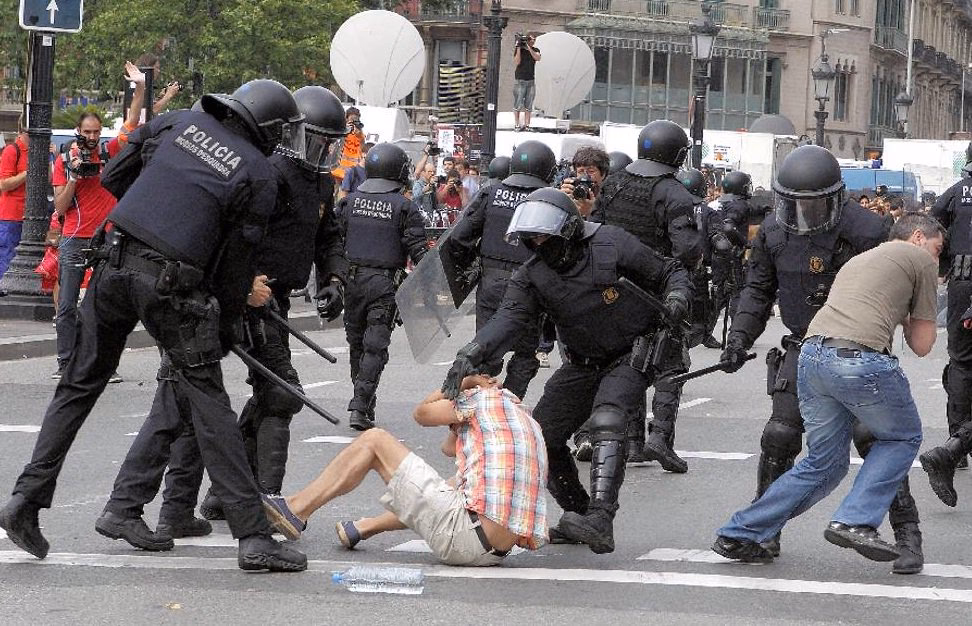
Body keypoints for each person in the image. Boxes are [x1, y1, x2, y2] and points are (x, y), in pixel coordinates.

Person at [0, 79, 309, 571]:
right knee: (210, 403)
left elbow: (118, 177)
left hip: (113, 260)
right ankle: (253, 538)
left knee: (78, 384)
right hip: (172, 285)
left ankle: (25, 500)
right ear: (269, 129)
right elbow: (235, 265)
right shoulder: (258, 173)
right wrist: (228, 322)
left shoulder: (176, 121)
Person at [99, 86, 352, 540]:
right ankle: (247, 501)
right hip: (225, 296)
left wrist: (334, 280)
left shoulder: (321, 182)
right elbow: (217, 232)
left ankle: (200, 503)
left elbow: (327, 237)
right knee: (191, 400)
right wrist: (241, 283)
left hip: (264, 300)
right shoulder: (263, 170)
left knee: (244, 399)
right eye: (313, 142)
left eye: (328, 145)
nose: (319, 154)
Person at [440, 188, 692, 554]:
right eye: (531, 239)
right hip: (582, 361)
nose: (538, 245)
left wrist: (677, 298)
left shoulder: (610, 241)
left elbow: (670, 271)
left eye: (545, 236)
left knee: (608, 418)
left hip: (630, 351)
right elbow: (509, 319)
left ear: (570, 230)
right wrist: (472, 352)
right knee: (541, 437)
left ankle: (601, 519)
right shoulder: (531, 275)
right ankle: (579, 514)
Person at [719, 145, 925, 574]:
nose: (803, 214)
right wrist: (739, 337)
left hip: (860, 346)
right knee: (779, 436)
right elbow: (758, 290)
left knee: (877, 439)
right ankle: (762, 531)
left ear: (835, 197)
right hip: (802, 345)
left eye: (812, 205)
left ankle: (907, 534)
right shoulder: (774, 232)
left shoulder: (870, 229)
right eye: (794, 205)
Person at [260, 374, 548, 565]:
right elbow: (451, 449)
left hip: (464, 536)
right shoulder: (523, 417)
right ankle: (364, 528)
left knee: (375, 440)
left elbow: (422, 413)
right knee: (454, 484)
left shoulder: (478, 400)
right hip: (494, 552)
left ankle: (297, 510)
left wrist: (462, 381)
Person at [590, 120, 702, 472]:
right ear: (678, 154)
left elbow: (593, 229)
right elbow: (687, 250)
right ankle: (660, 439)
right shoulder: (675, 193)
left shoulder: (612, 184)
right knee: (671, 362)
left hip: (614, 287)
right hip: (657, 289)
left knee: (630, 360)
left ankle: (634, 441)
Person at [50, 62, 148, 381]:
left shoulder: (109, 152)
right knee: (66, 306)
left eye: (96, 131)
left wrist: (140, 87)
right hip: (75, 238)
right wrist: (76, 178)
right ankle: (66, 362)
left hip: (106, 240)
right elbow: (61, 205)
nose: (92, 137)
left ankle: (104, 365)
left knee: (101, 308)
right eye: (87, 132)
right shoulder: (65, 161)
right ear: (79, 132)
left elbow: (132, 121)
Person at [442, 140, 557, 400]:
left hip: (491, 282)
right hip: (530, 286)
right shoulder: (549, 200)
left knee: (485, 348)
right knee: (526, 355)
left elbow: (458, 237)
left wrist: (473, 265)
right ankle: (508, 406)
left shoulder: (491, 193)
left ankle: (478, 408)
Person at [338, 142, 428, 431]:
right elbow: (419, 253)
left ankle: (362, 403)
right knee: (374, 348)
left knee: (357, 345)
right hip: (384, 285)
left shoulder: (349, 202)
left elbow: (335, 244)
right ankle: (361, 406)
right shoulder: (404, 206)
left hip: (352, 282)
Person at [919, 159, 972, 505]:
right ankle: (955, 447)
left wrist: (943, 270)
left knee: (961, 362)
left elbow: (931, 230)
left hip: (961, 282)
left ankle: (958, 441)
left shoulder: (955, 193)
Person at [0, 117, 28, 279]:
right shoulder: (12, 150)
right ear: (20, 132)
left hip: (28, 215)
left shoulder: (37, 150)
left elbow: (49, 180)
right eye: (28, 134)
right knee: (7, 257)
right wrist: (26, 174)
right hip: (11, 216)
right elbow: (4, 184)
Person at [513, 33, 541, 131]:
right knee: (518, 103)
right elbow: (517, 62)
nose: (532, 41)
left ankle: (527, 125)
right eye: (530, 39)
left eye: (534, 39)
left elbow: (537, 57)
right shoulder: (519, 49)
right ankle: (517, 125)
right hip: (520, 79)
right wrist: (519, 48)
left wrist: (529, 48)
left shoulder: (535, 50)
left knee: (529, 104)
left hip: (530, 80)